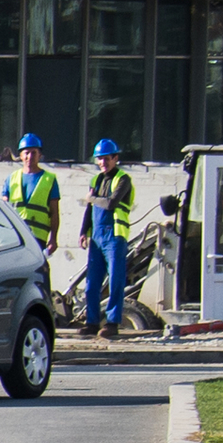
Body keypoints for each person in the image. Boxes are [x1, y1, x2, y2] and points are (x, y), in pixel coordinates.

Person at [82, 137, 134, 338]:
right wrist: (83, 232)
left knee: (115, 281)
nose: (103, 162)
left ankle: (112, 323)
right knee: (92, 283)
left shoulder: (123, 179)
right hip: (96, 237)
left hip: (115, 237)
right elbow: (89, 209)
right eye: (99, 159)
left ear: (115, 158)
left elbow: (111, 204)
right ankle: (92, 322)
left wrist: (92, 199)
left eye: (106, 158)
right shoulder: (95, 180)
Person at [8, 133, 61, 254]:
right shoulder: (11, 179)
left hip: (38, 238)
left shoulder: (49, 179)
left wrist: (53, 238)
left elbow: (54, 212)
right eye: (26, 153)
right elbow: (5, 208)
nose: (30, 156)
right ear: (21, 155)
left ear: (40, 155)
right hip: (16, 236)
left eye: (34, 153)